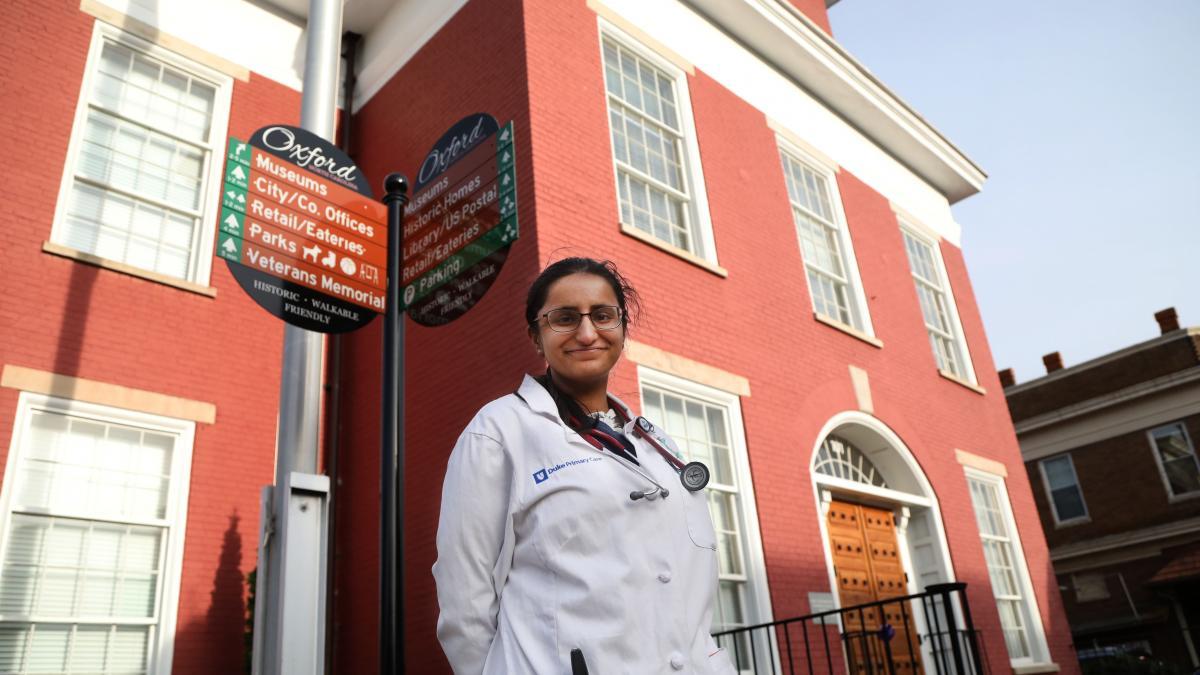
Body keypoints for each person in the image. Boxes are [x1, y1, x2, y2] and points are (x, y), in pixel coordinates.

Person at [433, 257, 736, 674]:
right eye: (564, 318)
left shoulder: (654, 445)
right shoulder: (499, 432)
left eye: (602, 315)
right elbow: (465, 598)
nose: (587, 332)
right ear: (536, 337)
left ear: (622, 329)